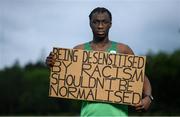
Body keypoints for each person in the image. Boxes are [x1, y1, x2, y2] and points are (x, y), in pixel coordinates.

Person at [46, 7, 153, 116]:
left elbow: (141, 77)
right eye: (96, 22)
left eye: (104, 22)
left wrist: (148, 98)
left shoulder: (123, 50)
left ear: (110, 24)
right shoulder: (79, 51)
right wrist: (54, 65)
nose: (100, 26)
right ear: (90, 24)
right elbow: (65, 80)